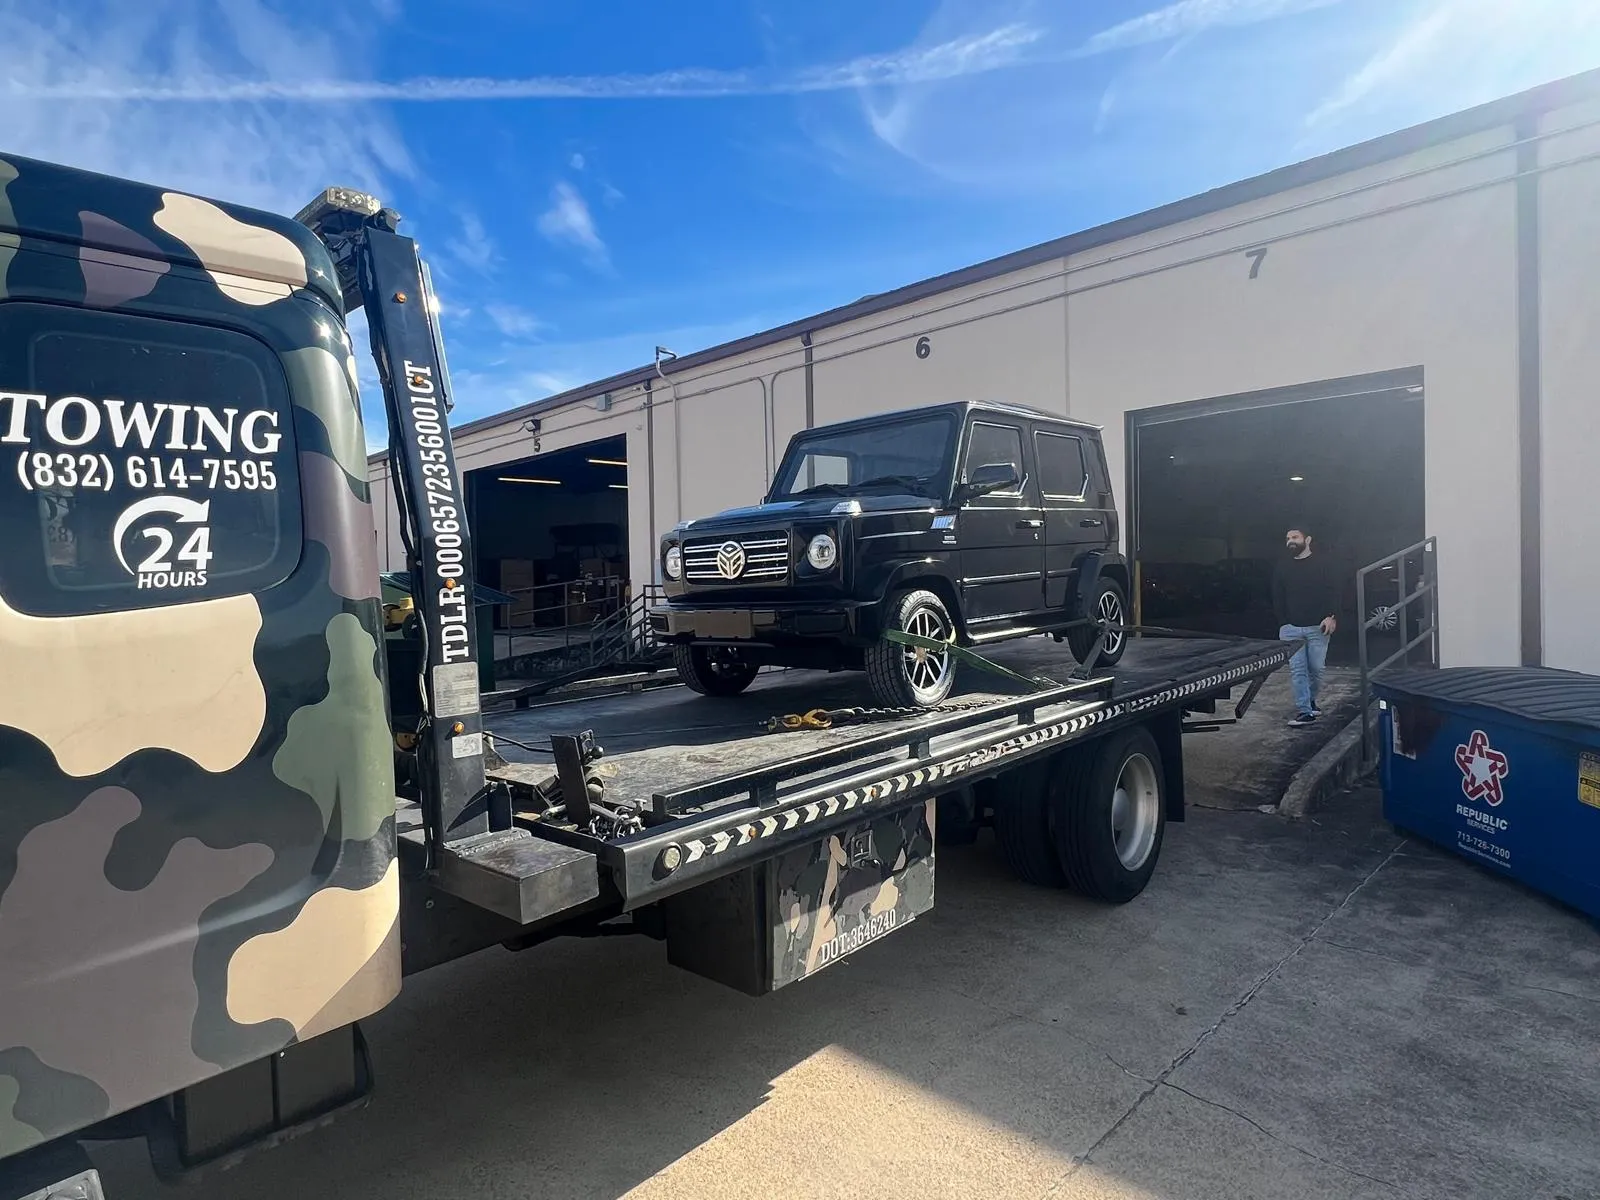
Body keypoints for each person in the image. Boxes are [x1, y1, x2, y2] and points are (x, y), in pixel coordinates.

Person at [1272, 525, 1342, 727]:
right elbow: (1277, 596)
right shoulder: (1282, 566)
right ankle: (1305, 711)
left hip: (1317, 628)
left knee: (1317, 669)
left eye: (1295, 537)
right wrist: (1283, 623)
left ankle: (1311, 701)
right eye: (1287, 538)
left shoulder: (1324, 564)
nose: (1290, 541)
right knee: (1298, 671)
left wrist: (1332, 616)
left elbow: (1334, 592)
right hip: (1291, 629)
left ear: (1308, 540)